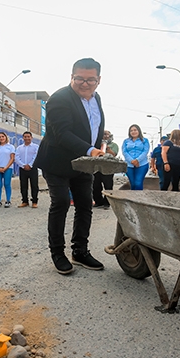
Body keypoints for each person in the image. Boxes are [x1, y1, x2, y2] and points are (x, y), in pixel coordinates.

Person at [34, 57, 105, 275]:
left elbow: (94, 126)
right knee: (62, 202)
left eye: (90, 80)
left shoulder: (97, 98)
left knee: (85, 204)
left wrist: (95, 149)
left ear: (98, 80)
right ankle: (58, 253)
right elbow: (62, 133)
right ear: (71, 76)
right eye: (79, 79)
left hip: (83, 164)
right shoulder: (59, 98)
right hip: (57, 161)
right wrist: (90, 150)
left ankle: (80, 251)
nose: (85, 84)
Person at [93, 130, 118, 209]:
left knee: (108, 185)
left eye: (108, 134)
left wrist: (107, 148)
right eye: (104, 134)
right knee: (95, 185)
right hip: (97, 167)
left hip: (108, 168)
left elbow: (113, 154)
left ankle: (107, 203)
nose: (106, 136)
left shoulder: (114, 145)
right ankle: (98, 202)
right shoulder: (96, 144)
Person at [0, 132, 15, 208]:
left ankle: (8, 200)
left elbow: (12, 158)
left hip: (7, 168)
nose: (1, 138)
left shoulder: (10, 147)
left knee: (7, 184)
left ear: (5, 137)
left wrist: (6, 167)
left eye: (2, 136)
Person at [15, 131, 40, 208]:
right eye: (25, 137)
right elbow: (16, 157)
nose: (27, 138)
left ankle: (34, 201)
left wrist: (30, 165)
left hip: (33, 168)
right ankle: (25, 201)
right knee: (23, 185)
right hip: (22, 169)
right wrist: (23, 165)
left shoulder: (36, 147)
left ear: (31, 138)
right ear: (23, 138)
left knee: (34, 185)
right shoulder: (19, 148)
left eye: (28, 136)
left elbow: (36, 156)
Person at [122, 124, 150, 190]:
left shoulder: (145, 140)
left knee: (138, 183)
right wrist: (132, 161)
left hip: (142, 164)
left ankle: (139, 199)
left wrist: (137, 160)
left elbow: (145, 151)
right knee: (133, 183)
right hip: (129, 165)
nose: (133, 132)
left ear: (139, 131)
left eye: (135, 130)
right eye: (131, 130)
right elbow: (125, 152)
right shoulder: (126, 141)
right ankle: (132, 199)